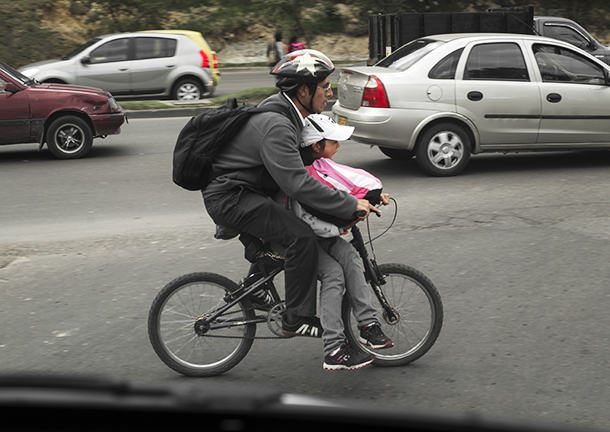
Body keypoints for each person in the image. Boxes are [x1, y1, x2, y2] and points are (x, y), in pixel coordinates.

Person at [201, 49, 379, 339]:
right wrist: (347, 204)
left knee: (285, 230)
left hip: (244, 191)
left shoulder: (288, 112)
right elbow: (298, 183)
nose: (329, 93)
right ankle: (297, 318)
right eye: (325, 87)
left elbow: (314, 167)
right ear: (304, 90)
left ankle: (257, 285)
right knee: (300, 238)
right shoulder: (279, 124)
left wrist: (357, 190)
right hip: (231, 197)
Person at [289, 114, 394, 371]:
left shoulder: (318, 163)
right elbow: (316, 210)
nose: (338, 147)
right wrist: (345, 221)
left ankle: (368, 325)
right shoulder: (300, 173)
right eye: (334, 142)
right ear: (316, 146)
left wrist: (372, 197)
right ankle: (333, 348)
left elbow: (343, 185)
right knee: (334, 273)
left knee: (350, 257)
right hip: (298, 238)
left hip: (317, 234)